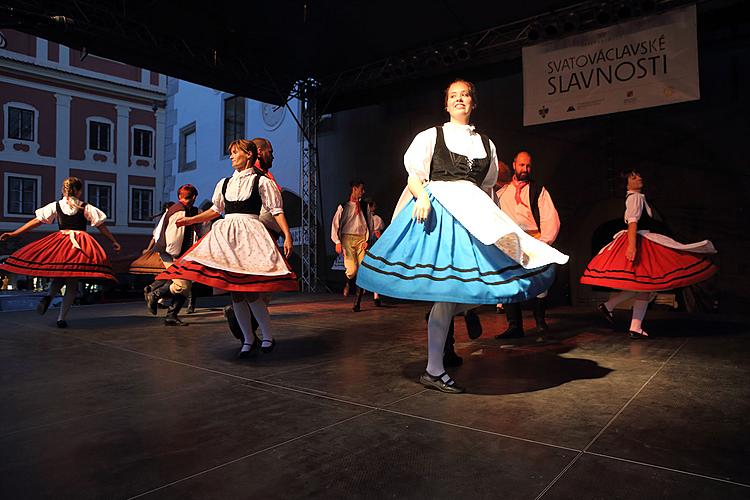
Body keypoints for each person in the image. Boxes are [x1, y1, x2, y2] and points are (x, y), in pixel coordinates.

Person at [357, 79, 568, 393]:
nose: (459, 99)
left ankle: (458, 323)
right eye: (453, 96)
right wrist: (423, 197)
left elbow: (486, 187)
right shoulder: (432, 135)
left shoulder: (486, 143)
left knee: (478, 283)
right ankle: (434, 367)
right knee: (449, 290)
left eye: (465, 95)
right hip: (441, 213)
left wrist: (497, 224)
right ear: (446, 104)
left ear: (473, 103)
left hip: (473, 214)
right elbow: (414, 174)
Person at [156, 139, 297, 357]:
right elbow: (215, 210)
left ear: (249, 155)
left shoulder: (261, 181)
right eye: (230, 153)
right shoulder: (225, 183)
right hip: (228, 237)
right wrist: (191, 221)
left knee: (250, 292)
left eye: (235, 153)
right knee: (236, 294)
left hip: (250, 235)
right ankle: (248, 339)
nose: (231, 156)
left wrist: (287, 235)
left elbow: (276, 210)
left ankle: (268, 336)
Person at [580, 170, 718, 338]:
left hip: (643, 239)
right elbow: (632, 223)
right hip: (640, 241)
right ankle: (633, 325)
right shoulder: (635, 198)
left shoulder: (638, 197)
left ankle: (613, 309)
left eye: (638, 176)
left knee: (642, 285)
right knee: (645, 285)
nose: (639, 178)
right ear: (627, 184)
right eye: (634, 177)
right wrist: (632, 247)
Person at [0, 176, 120, 327]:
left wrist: (15, 233)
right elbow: (101, 226)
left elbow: (36, 221)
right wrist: (113, 241)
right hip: (79, 244)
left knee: (60, 275)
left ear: (64, 190)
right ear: (78, 191)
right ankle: (61, 318)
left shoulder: (56, 205)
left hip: (60, 242)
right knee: (72, 283)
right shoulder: (85, 207)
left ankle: (49, 296)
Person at [495, 151, 561, 339]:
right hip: (510, 243)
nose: (525, 169)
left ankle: (540, 321)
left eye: (528, 166)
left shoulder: (538, 190)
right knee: (508, 281)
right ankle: (514, 325)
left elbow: (550, 218)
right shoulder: (502, 192)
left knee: (539, 280)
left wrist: (544, 243)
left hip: (534, 240)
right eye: (522, 165)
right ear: (514, 165)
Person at [145, 184, 199, 326]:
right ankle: (155, 295)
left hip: (180, 254)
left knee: (185, 286)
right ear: (193, 197)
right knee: (182, 286)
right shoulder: (179, 211)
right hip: (172, 254)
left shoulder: (188, 210)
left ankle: (171, 315)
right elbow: (174, 238)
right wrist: (176, 256)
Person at [331, 179, 375, 311]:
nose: (363, 192)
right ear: (354, 189)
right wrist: (337, 242)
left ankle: (357, 302)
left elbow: (370, 224)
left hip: (361, 239)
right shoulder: (344, 206)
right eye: (361, 189)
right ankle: (348, 281)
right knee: (352, 270)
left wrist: (367, 240)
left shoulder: (365, 206)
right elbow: (335, 224)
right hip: (347, 239)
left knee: (363, 270)